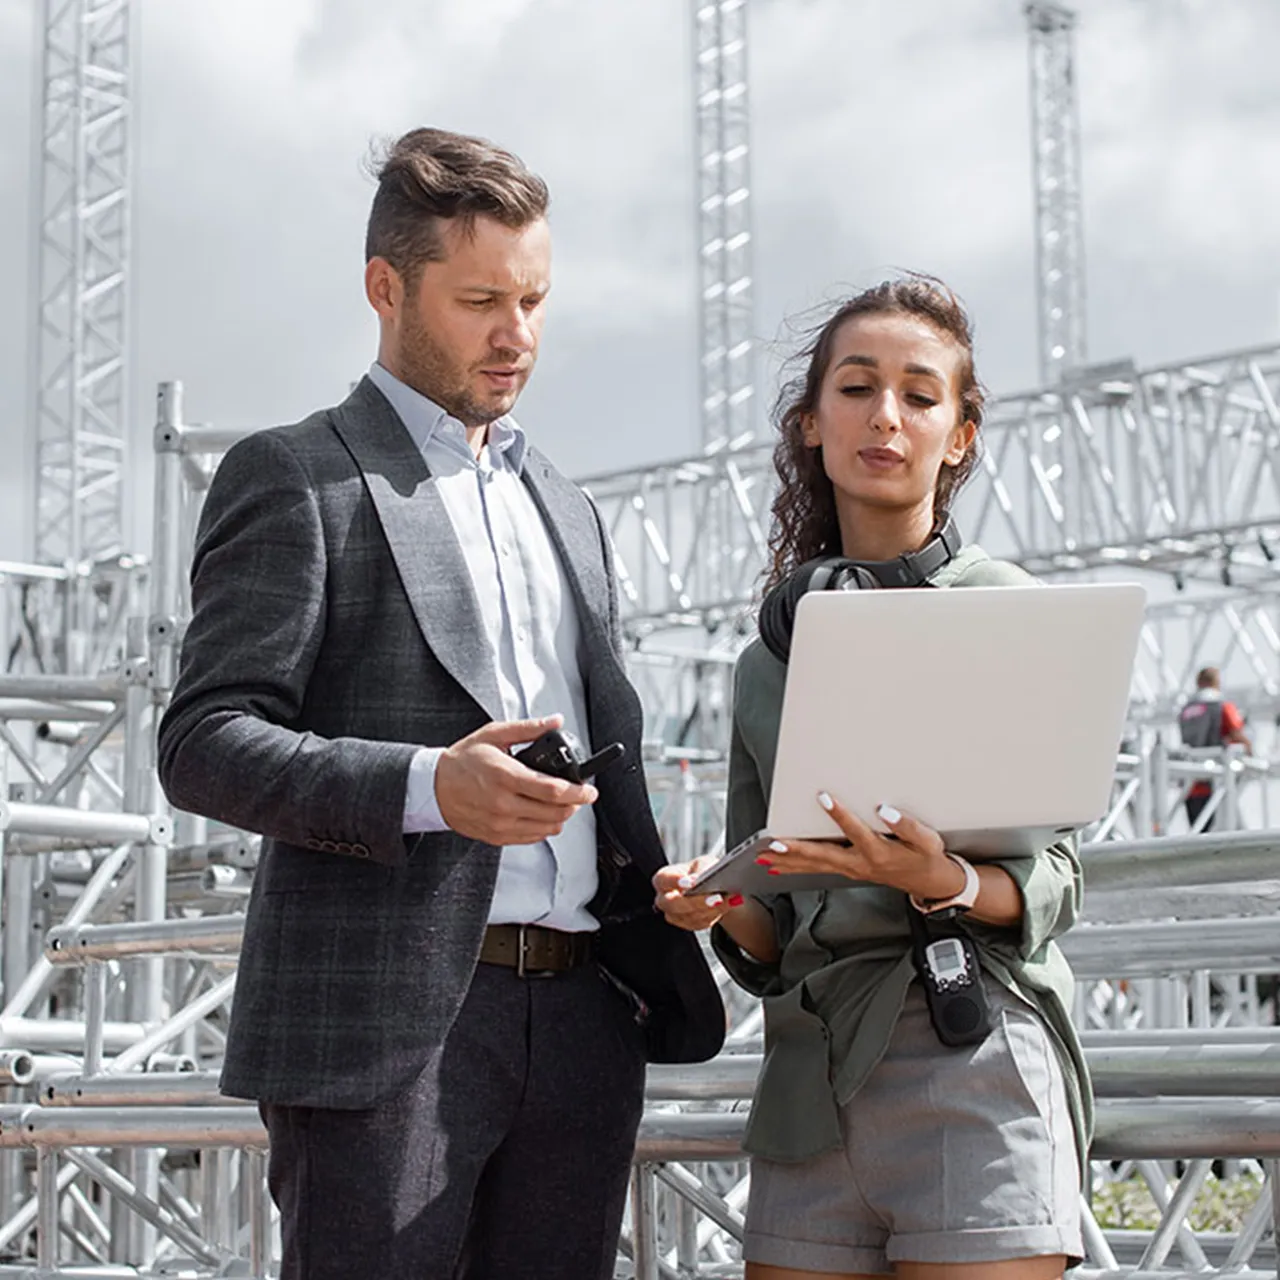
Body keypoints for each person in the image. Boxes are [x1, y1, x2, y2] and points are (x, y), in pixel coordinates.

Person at [157, 127, 724, 1280]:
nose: (516, 333)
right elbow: (203, 740)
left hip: (581, 1015)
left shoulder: (562, 503)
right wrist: (429, 787)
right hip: (386, 1029)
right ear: (384, 287)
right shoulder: (296, 473)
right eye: (480, 300)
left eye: (533, 298)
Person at [655, 277, 1089, 1280]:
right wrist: (714, 899)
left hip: (971, 1047)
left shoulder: (1015, 614)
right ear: (810, 422)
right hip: (809, 1074)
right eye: (855, 388)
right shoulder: (767, 656)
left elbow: (1057, 882)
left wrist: (936, 878)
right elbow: (767, 927)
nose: (884, 415)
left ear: (961, 433)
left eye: (918, 393)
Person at [1178, 666, 1251, 831]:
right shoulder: (1220, 706)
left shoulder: (1185, 710)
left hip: (1190, 784)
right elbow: (1235, 733)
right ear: (1216, 682)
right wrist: (1250, 750)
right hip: (1216, 783)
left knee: (1198, 834)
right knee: (1222, 836)